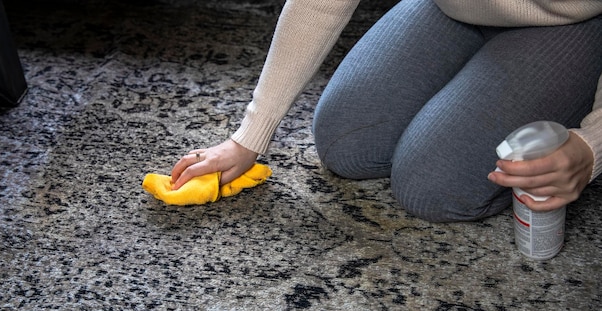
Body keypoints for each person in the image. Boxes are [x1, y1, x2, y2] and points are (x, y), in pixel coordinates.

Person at [170, 0, 602, 222]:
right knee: (348, 144)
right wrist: (249, 135)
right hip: (451, 7)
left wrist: (593, 143)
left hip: (571, 19)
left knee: (432, 188)